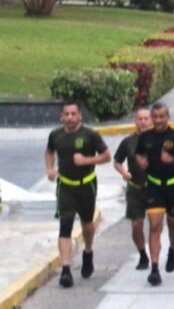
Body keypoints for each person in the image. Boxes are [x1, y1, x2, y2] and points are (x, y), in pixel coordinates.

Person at [45, 102, 110, 288]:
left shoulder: (90, 135)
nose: (70, 117)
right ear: (61, 116)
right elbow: (49, 151)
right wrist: (50, 169)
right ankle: (65, 270)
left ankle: (88, 251)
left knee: (87, 224)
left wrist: (86, 160)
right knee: (64, 225)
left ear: (80, 116)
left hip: (86, 185)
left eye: (74, 114)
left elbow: (106, 156)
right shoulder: (56, 135)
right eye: (67, 114)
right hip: (65, 186)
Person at [134, 103, 174, 286]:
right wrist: (142, 162)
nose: (159, 120)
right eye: (156, 117)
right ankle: (154, 269)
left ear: (168, 117)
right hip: (154, 186)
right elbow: (138, 154)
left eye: (162, 117)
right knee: (154, 224)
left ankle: (173, 248)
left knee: (173, 223)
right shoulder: (145, 137)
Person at [113, 106, 153, 270]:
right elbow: (117, 161)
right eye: (140, 119)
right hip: (135, 188)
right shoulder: (128, 142)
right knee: (137, 224)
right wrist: (124, 172)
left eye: (146, 119)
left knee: (155, 224)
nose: (143, 122)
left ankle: (155, 254)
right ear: (135, 121)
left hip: (154, 188)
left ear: (151, 120)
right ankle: (143, 254)